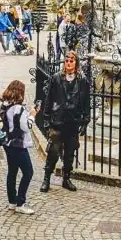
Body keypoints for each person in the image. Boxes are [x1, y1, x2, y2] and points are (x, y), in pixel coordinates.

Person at [38, 51, 90, 193]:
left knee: (70, 152)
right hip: (58, 120)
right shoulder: (56, 78)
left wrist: (85, 120)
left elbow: (86, 101)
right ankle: (46, 178)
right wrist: (46, 119)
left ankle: (66, 178)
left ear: (76, 63)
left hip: (73, 121)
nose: (68, 63)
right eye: (66, 60)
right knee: (53, 150)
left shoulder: (82, 80)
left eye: (71, 60)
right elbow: (48, 99)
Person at [0, 80, 36, 214]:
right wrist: (32, 116)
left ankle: (12, 202)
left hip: (8, 144)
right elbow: (26, 127)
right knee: (28, 172)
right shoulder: (18, 108)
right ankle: (21, 202)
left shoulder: (5, 105)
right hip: (18, 145)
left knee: (12, 171)